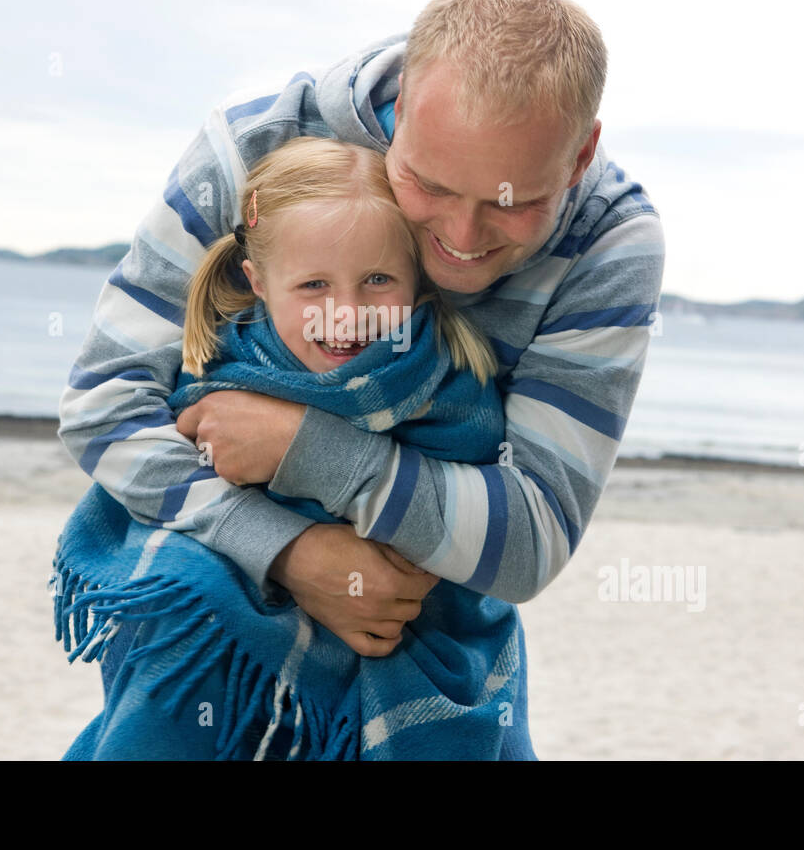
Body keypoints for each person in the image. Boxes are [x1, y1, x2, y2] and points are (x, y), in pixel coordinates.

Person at [57, 0, 664, 716]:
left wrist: (303, 446)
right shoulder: (252, 149)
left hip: (428, 645)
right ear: (402, 108)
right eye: (429, 185)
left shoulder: (610, 241)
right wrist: (290, 552)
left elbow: (530, 541)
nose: (460, 241)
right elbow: (103, 403)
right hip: (213, 635)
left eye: (515, 204)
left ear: (579, 156)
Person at [54, 136, 534, 759]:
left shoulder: (445, 382)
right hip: (249, 585)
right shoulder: (226, 370)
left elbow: (473, 516)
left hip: (394, 612)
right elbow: (171, 495)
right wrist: (286, 549)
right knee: (184, 602)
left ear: (417, 278)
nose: (345, 313)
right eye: (313, 285)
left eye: (378, 280)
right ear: (257, 281)